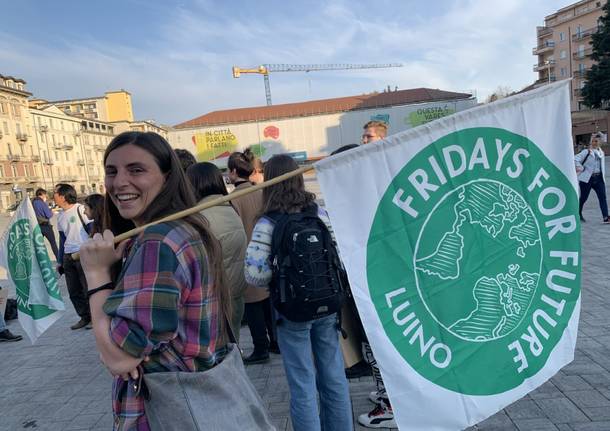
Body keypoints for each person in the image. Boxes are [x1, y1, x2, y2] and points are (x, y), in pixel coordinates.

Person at [79, 131, 230, 430]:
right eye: (112, 171)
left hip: (164, 413)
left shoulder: (158, 241)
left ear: (167, 176)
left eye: (136, 170)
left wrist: (96, 275)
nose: (119, 182)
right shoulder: (186, 229)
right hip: (195, 401)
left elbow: (120, 359)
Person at [244, 154, 353, 431]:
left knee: (302, 383)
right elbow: (339, 259)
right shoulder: (319, 213)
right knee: (334, 378)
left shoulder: (267, 223)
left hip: (291, 312)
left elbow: (254, 275)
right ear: (298, 178)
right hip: (327, 306)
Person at [186, 161, 248, 342]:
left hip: (217, 300)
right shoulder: (229, 209)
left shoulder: (202, 219)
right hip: (236, 295)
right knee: (233, 347)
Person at [228, 151, 278, 364]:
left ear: (232, 172)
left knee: (252, 305)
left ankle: (260, 348)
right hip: (266, 252)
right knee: (267, 301)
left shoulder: (232, 199)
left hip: (247, 256)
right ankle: (276, 342)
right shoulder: (262, 191)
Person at [54, 183, 92, 330]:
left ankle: (95, 317)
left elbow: (91, 228)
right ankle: (84, 316)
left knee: (87, 287)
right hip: (68, 256)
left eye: (55, 193)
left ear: (63, 196)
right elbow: (62, 239)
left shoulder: (81, 209)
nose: (53, 196)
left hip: (83, 253)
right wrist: (59, 260)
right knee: (73, 290)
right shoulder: (60, 217)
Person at [575, 132, 610, 223]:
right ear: (591, 142)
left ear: (600, 142)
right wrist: (581, 168)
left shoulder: (601, 152)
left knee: (602, 197)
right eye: (593, 141)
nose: (595, 143)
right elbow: (575, 159)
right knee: (583, 198)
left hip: (598, 178)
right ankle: (578, 213)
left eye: (597, 141)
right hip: (587, 179)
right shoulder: (586, 152)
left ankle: (605, 217)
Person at [32, 188, 59, 261]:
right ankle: (59, 259)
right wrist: (52, 211)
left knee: (38, 245)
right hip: (46, 226)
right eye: (45, 195)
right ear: (41, 194)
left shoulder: (32, 202)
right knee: (53, 244)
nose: (46, 197)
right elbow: (48, 215)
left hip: (37, 226)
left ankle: (38, 260)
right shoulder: (42, 203)